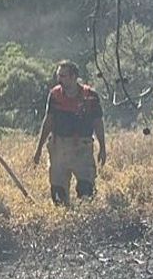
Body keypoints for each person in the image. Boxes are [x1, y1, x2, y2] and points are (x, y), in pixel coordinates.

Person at [32, 60, 106, 205]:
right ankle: (63, 221)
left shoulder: (90, 97)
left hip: (82, 148)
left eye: (63, 76)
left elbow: (98, 123)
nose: (59, 79)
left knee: (86, 191)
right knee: (58, 193)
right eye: (58, 75)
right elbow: (48, 121)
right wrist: (39, 148)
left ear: (74, 77)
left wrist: (102, 147)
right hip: (59, 147)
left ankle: (86, 221)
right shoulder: (54, 95)